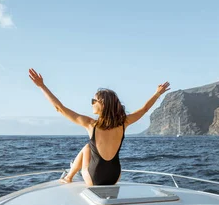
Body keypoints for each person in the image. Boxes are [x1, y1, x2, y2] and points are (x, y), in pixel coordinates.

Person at [28, 68, 170, 186]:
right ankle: (69, 176)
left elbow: (59, 108)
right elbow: (144, 109)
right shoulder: (123, 123)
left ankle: (68, 177)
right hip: (114, 176)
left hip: (94, 179)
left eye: (93, 100)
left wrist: (42, 86)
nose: (91, 103)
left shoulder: (90, 124)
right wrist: (157, 93)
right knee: (90, 147)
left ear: (101, 103)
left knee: (87, 147)